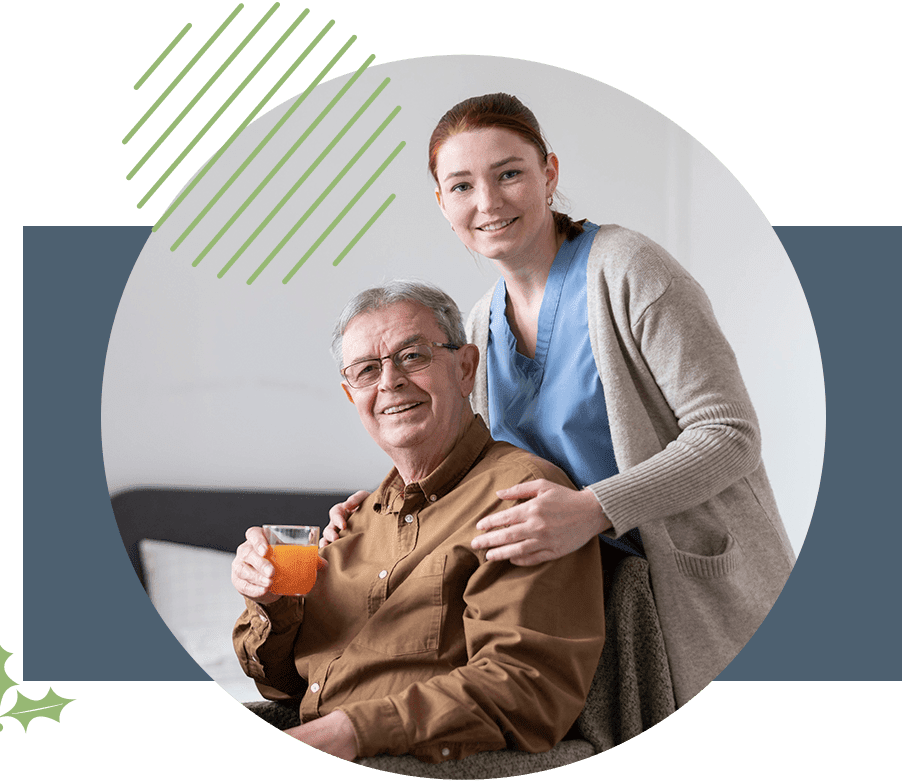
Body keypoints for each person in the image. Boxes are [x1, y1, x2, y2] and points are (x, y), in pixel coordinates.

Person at [324, 93, 796, 707]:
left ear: (549, 173)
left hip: (698, 593)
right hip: (591, 607)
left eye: (509, 174)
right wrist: (383, 508)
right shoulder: (479, 325)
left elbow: (728, 434)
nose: (488, 202)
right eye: (462, 186)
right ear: (443, 204)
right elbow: (473, 463)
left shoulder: (629, 272)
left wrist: (594, 509)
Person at [231, 280, 604, 763]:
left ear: (466, 368)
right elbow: (284, 686)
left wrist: (349, 731)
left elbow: (525, 687)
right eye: (366, 370)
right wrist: (269, 603)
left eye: (413, 356)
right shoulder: (356, 520)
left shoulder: (522, 497)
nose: (389, 382)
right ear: (352, 396)